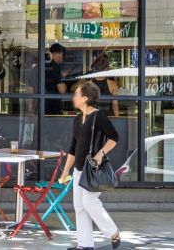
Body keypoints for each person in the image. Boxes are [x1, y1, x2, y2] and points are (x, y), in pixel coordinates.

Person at [60, 81, 121, 250]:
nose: (73, 97)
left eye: (76, 95)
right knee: (79, 207)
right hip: (79, 170)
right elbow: (73, 148)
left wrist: (100, 154)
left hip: (93, 170)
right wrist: (65, 171)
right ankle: (85, 244)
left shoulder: (99, 117)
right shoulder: (77, 120)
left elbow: (114, 137)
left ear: (85, 98)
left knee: (89, 202)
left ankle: (113, 232)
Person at [89, 53, 120, 117]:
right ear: (106, 69)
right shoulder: (113, 84)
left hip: (93, 118)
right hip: (108, 117)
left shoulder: (89, 84)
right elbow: (115, 105)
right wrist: (117, 119)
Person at [45, 43, 68, 115]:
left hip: (40, 108)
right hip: (52, 108)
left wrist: (30, 110)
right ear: (58, 54)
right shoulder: (56, 67)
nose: (62, 60)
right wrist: (66, 86)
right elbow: (62, 90)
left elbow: (30, 89)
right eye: (62, 56)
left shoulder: (39, 64)